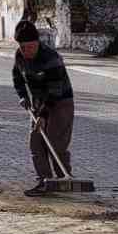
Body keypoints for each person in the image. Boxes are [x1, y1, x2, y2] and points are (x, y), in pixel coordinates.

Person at [11, 20, 75, 195]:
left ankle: (65, 179)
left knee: (55, 142)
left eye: (30, 47)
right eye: (23, 47)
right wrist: (23, 96)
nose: (26, 52)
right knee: (36, 142)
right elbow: (17, 78)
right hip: (39, 102)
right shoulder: (19, 56)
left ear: (37, 43)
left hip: (60, 102)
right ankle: (45, 181)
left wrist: (44, 115)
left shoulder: (51, 58)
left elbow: (55, 90)